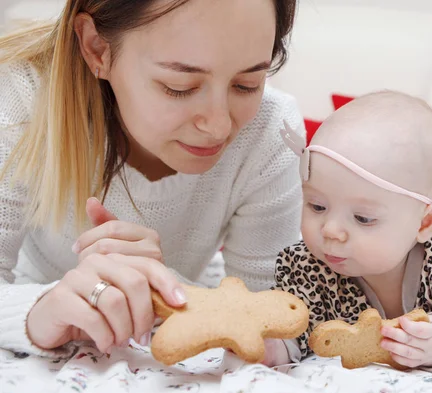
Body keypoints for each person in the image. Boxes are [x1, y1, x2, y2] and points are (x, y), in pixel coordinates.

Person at [0, 0, 303, 359]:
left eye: (247, 84)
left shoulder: (271, 129)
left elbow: (278, 318)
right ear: (97, 48)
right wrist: (39, 311)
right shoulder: (20, 100)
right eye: (179, 86)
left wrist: (166, 288)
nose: (220, 126)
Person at [263, 91, 432, 372]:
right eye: (317, 206)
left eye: (362, 218)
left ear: (424, 223)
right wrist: (273, 346)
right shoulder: (303, 267)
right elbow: (295, 324)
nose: (331, 230)